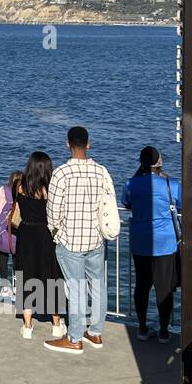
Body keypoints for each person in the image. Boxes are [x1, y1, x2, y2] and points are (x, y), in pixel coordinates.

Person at [46, 126, 117, 355]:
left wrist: (55, 232)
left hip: (71, 240)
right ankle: (95, 332)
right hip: (95, 239)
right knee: (97, 286)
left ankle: (74, 338)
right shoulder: (101, 171)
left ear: (67, 144)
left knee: (75, 289)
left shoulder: (61, 173)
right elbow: (108, 203)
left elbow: (53, 211)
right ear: (88, 144)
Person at [122, 145, 182, 343]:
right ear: (160, 163)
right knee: (164, 289)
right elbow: (180, 203)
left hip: (140, 242)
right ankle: (164, 330)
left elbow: (127, 203)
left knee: (141, 286)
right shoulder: (171, 184)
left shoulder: (131, 184)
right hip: (166, 243)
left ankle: (141, 327)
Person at [13, 152, 66, 340]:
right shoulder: (51, 190)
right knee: (51, 276)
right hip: (45, 235)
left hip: (25, 234)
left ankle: (27, 326)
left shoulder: (20, 187)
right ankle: (57, 324)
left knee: (25, 276)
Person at [0, 170, 23, 295]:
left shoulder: (3, 190)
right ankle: (17, 286)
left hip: (3, 230)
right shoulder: (23, 192)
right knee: (18, 258)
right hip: (17, 228)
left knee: (3, 258)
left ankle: (4, 286)